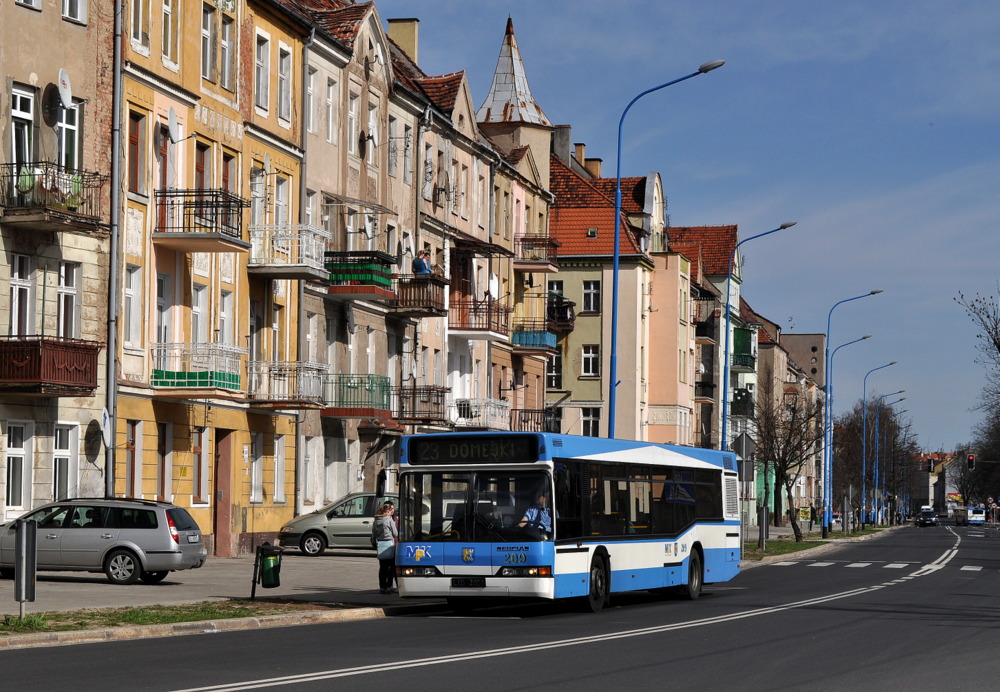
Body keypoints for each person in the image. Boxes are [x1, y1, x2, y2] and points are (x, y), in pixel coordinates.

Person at [371, 502, 398, 594]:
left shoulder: (376, 521)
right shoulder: (389, 520)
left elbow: (373, 535)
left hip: (380, 545)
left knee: (382, 567)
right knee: (391, 566)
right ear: (387, 511)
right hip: (389, 545)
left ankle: (382, 587)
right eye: (390, 510)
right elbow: (395, 534)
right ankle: (389, 585)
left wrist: (374, 542)